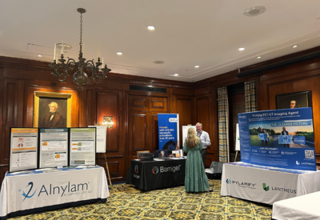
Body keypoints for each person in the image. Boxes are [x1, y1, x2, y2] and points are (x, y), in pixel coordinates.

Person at [183, 127, 212, 193]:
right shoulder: (198, 140)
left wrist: (190, 150)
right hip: (197, 156)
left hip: (190, 157)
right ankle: (201, 187)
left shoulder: (186, 140)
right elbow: (200, 148)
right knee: (199, 171)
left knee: (190, 172)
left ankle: (190, 188)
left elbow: (185, 150)